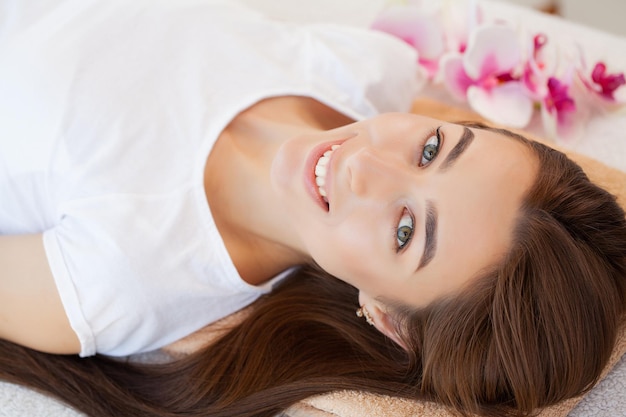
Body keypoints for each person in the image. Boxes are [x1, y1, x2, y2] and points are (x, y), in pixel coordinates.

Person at [0, 1, 625, 416]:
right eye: (435, 147)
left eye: (406, 230)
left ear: (386, 317)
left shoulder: (117, 278)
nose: (366, 164)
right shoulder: (360, 72)